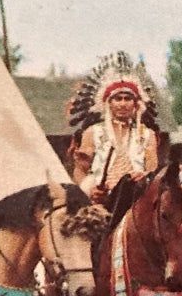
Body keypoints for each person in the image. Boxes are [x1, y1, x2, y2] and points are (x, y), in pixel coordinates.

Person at [67, 51, 161, 221]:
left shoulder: (147, 135)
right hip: (98, 203)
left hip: (136, 201)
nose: (123, 104)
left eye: (128, 98)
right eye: (118, 98)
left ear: (135, 104)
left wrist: (145, 178)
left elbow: (152, 171)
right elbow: (80, 170)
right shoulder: (93, 133)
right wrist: (90, 191)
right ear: (108, 103)